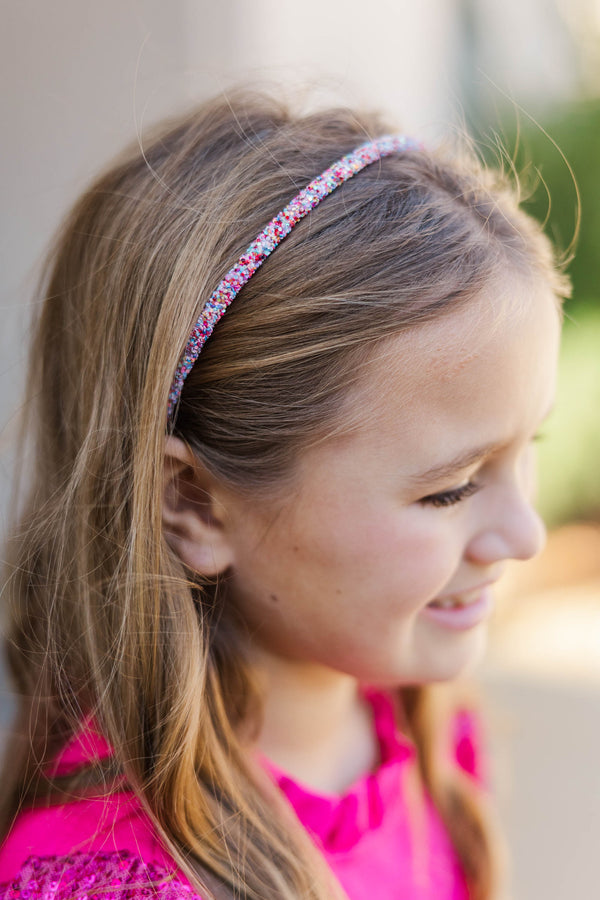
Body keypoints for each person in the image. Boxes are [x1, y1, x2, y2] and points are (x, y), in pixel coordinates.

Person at [0, 89, 569, 900]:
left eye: (529, 448)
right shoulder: (113, 879)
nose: (525, 534)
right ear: (193, 504)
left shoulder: (423, 722)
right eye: (449, 490)